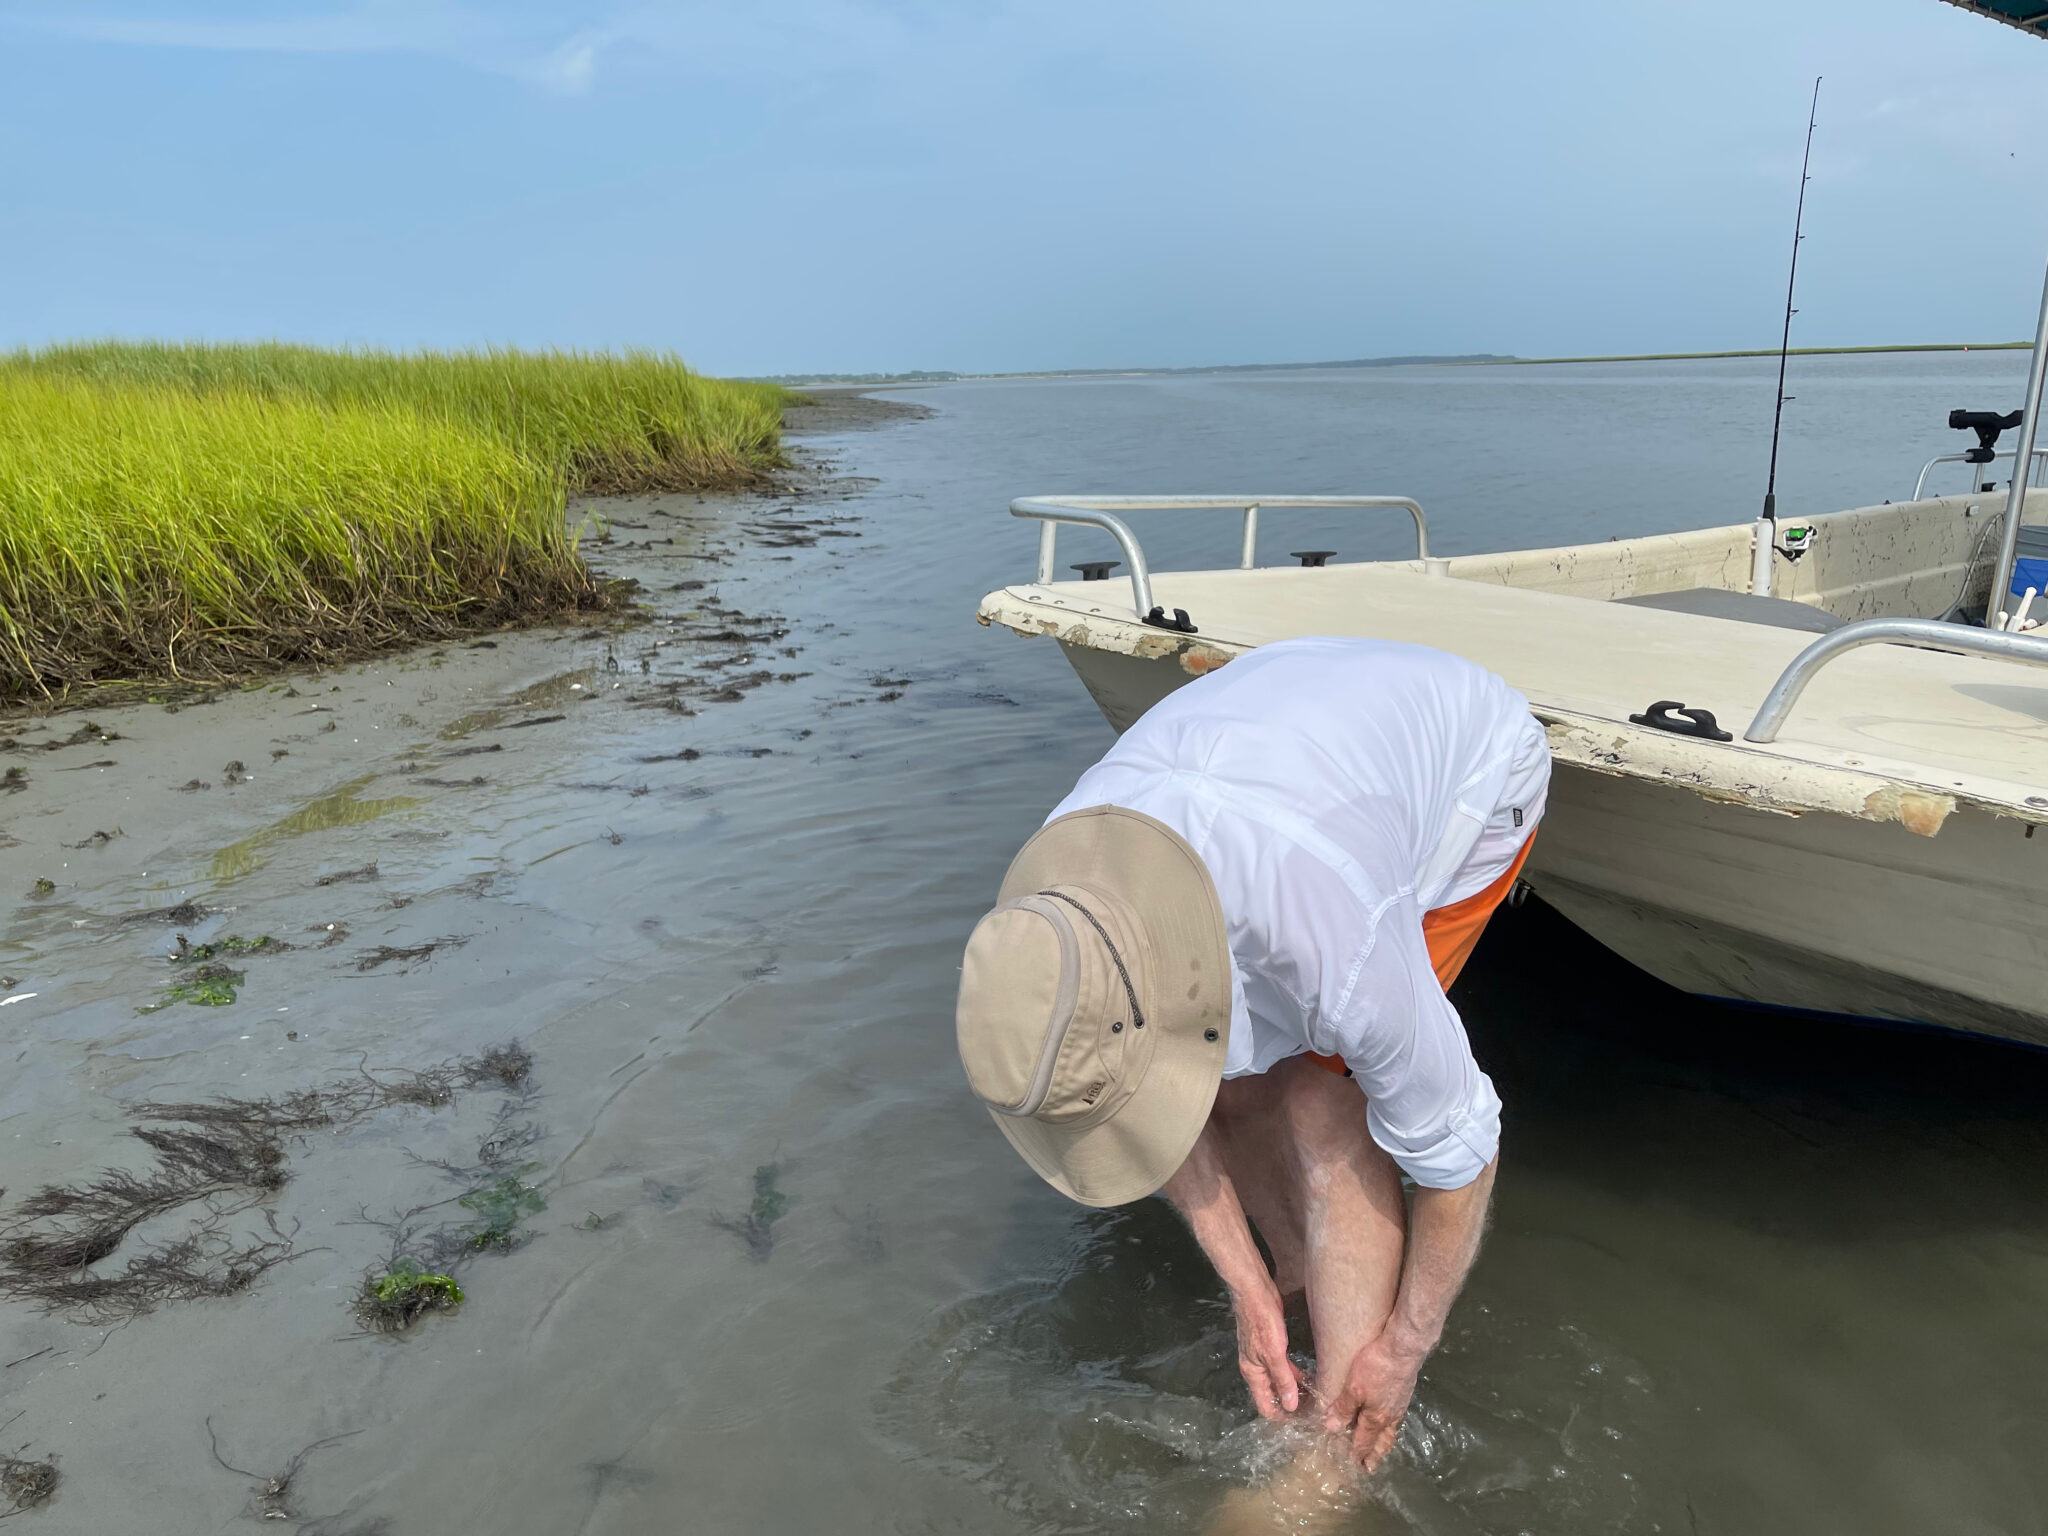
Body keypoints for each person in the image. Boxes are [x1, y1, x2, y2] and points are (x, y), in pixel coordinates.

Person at [954, 635, 1548, 1475]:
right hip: (1286, 722)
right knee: (1228, 1091)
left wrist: (1406, 1348)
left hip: (1470, 767)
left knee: (1320, 1101)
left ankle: (1330, 1452)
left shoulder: (1337, 950)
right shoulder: (1047, 921)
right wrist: (1246, 1282)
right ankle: (1303, 1277)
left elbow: (1461, 1154)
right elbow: (1133, 1096)